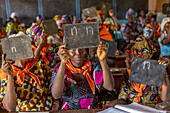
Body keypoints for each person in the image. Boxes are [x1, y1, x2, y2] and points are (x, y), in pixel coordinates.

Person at [105, 35, 170, 108]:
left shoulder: (156, 73)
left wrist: (164, 82)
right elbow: (124, 99)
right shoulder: (128, 76)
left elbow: (166, 100)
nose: (126, 61)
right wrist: (114, 103)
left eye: (130, 58)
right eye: (127, 57)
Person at [50, 42, 115, 110]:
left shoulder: (93, 64)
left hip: (92, 110)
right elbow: (56, 95)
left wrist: (102, 60)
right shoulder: (60, 68)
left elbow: (109, 87)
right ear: (67, 51)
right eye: (73, 49)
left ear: (87, 50)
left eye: (82, 49)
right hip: (69, 111)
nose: (78, 53)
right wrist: (63, 63)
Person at [0, 34, 53, 111]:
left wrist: (55, 104)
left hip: (47, 110)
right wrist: (10, 77)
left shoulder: (40, 66)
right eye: (26, 46)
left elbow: (53, 87)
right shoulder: (7, 74)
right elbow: (10, 108)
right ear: (16, 53)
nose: (31, 49)